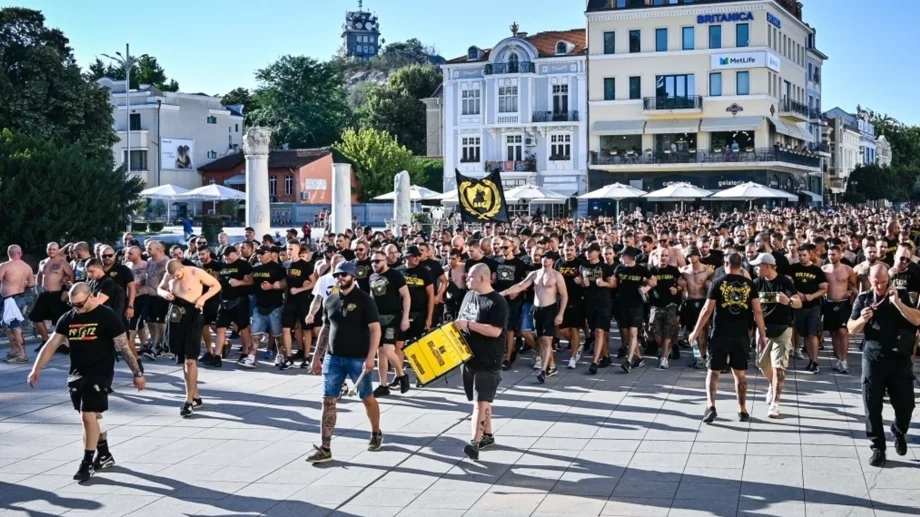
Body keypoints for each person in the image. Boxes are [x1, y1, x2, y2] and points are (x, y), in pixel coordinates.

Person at [27, 283, 145, 482]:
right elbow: (52, 343)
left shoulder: (107, 316)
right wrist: (36, 369)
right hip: (77, 373)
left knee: (87, 416)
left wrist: (137, 373)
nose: (77, 308)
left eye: (80, 304)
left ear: (90, 297)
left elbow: (123, 346)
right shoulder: (69, 317)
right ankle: (104, 454)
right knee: (94, 416)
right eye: (73, 305)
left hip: (101, 372)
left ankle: (87, 462)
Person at [307, 261, 382, 463]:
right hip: (333, 357)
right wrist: (317, 356)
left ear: (353, 277)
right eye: (337, 275)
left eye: (344, 275)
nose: (340, 278)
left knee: (367, 398)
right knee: (328, 400)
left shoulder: (365, 300)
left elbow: (375, 329)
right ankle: (325, 447)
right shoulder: (330, 299)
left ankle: (376, 432)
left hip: (358, 358)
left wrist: (370, 357)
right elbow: (325, 328)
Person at [848, 264, 920, 467]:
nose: (879, 286)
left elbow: (917, 320)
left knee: (906, 405)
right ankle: (878, 447)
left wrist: (898, 303)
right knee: (872, 405)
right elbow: (851, 328)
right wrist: (862, 319)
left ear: (888, 279)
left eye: (882, 282)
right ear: (870, 280)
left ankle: (898, 429)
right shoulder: (864, 299)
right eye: (875, 282)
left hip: (899, 359)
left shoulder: (903, 295)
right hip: (873, 359)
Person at [690, 252, 767, 424]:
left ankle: (711, 406)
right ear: (741, 265)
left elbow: (707, 310)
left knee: (713, 371)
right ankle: (742, 409)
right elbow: (757, 311)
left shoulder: (718, 282)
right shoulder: (749, 284)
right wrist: (762, 335)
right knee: (740, 374)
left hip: (720, 333)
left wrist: (695, 331)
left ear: (726, 263)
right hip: (741, 335)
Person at [455, 263, 508, 460]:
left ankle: (474, 442)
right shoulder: (469, 295)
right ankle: (488, 435)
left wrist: (469, 324)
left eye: (470, 277)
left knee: (480, 401)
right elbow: (461, 318)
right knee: (483, 400)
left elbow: (495, 331)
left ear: (482, 278)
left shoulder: (497, 302)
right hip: (469, 357)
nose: (466, 280)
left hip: (488, 358)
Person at [158, 259, 221, 417]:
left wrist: (202, 299)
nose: (176, 278)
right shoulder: (169, 276)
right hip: (176, 316)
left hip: (193, 314)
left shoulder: (195, 272)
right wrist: (164, 293)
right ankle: (196, 396)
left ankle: (188, 401)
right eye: (173, 276)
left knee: (190, 359)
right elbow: (159, 288)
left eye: (178, 275)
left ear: (182, 268)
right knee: (182, 359)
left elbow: (216, 285)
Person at [500, 250, 567, 380]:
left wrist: (561, 314)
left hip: (550, 309)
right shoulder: (534, 274)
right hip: (537, 309)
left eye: (548, 258)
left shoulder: (556, 276)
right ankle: (552, 366)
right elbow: (520, 286)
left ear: (553, 261)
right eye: (543, 257)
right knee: (541, 340)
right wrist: (502, 293)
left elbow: (564, 295)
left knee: (547, 340)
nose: (544, 259)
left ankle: (543, 370)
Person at [749, 253, 801, 418]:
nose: (756, 268)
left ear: (767, 266)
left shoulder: (784, 282)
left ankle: (775, 404)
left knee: (779, 368)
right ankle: (772, 384)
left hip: (783, 329)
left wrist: (789, 302)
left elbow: (799, 302)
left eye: (758, 266)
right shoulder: (756, 283)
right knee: (763, 366)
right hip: (763, 331)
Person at [368, 250, 411, 396]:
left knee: (388, 349)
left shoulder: (395, 275)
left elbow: (406, 295)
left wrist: (405, 317)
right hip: (377, 318)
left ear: (385, 260)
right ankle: (383, 384)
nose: (375, 264)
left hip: (393, 317)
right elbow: (372, 297)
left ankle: (401, 375)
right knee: (380, 352)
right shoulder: (372, 276)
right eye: (373, 261)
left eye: (378, 261)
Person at [614, 246, 654, 373]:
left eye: (623, 255)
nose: (622, 258)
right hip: (622, 304)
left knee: (633, 333)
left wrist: (646, 289)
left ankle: (628, 361)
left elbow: (654, 280)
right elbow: (614, 282)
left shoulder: (641, 269)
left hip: (636, 305)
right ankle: (640, 358)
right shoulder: (619, 268)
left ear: (630, 257)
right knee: (627, 334)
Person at [790, 243, 828, 373]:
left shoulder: (817, 270)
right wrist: (799, 294)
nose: (801, 257)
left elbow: (824, 288)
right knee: (804, 334)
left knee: (812, 334)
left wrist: (812, 296)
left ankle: (815, 361)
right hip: (799, 306)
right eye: (799, 255)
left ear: (810, 255)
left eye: (804, 255)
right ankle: (810, 360)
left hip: (814, 306)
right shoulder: (793, 268)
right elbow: (789, 284)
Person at [213, 246, 254, 365]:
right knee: (220, 328)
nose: (226, 257)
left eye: (229, 255)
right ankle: (217, 355)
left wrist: (240, 282)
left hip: (239, 300)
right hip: (225, 301)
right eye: (225, 255)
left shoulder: (244, 265)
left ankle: (245, 352)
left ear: (236, 253)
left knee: (243, 327)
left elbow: (252, 281)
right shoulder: (222, 265)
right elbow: (219, 276)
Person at [248, 246, 287, 369]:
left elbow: (285, 283)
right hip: (259, 306)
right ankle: (251, 357)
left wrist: (275, 285)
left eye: (262, 253)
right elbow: (249, 280)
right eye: (258, 254)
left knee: (277, 335)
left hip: (275, 307)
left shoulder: (278, 268)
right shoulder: (256, 268)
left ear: (270, 254)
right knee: (255, 334)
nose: (260, 255)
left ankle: (280, 355)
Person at [822, 245, 857, 374]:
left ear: (840, 255)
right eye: (829, 254)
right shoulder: (824, 269)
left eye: (834, 254)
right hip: (829, 304)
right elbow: (821, 286)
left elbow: (853, 286)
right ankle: (839, 360)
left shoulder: (848, 269)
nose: (831, 257)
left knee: (843, 332)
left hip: (843, 304)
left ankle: (844, 360)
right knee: (834, 333)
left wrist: (854, 299)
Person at [31, 242, 74, 346]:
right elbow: (39, 275)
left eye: (54, 249)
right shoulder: (43, 262)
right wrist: (37, 287)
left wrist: (67, 291)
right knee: (35, 316)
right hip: (44, 294)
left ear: (57, 250)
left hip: (57, 294)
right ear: (47, 250)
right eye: (50, 249)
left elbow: (71, 275)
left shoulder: (62, 262)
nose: (51, 251)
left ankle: (62, 344)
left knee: (59, 321)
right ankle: (46, 340)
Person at [0, 245, 35, 364]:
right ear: (20, 253)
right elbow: (31, 283)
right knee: (9, 326)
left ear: (8, 253)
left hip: (10, 299)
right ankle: (14, 350)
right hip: (20, 297)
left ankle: (22, 354)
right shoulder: (27, 267)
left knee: (15, 327)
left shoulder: (5, 266)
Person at [648, 248, 681, 369]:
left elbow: (681, 282)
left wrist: (677, 289)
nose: (663, 258)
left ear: (669, 257)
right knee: (655, 333)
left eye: (666, 256)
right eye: (661, 255)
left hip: (670, 305)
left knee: (668, 333)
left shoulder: (673, 270)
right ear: (657, 256)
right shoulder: (652, 270)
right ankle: (665, 350)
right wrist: (649, 285)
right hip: (656, 305)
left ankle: (664, 358)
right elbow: (645, 284)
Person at [142, 240, 170, 360]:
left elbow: (170, 280)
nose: (146, 251)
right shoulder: (149, 261)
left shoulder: (166, 262)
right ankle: (154, 343)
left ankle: (158, 346)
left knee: (159, 322)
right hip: (149, 296)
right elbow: (148, 276)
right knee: (149, 321)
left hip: (160, 297)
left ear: (159, 249)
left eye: (149, 249)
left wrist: (161, 291)